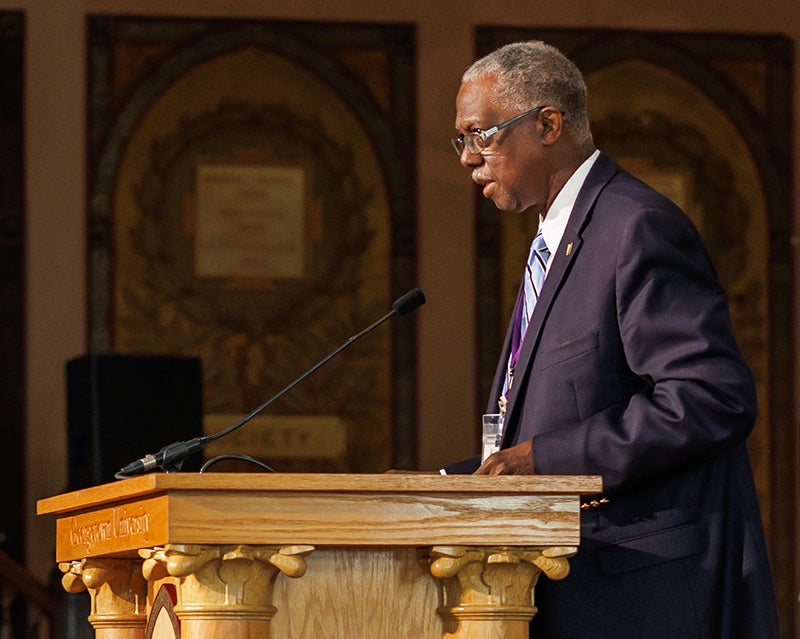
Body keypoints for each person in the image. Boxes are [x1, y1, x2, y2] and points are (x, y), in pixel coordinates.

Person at [443, 41, 778, 638]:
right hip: (565, 585)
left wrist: (544, 460)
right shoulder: (557, 236)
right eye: (462, 140)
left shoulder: (634, 226)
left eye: (481, 134)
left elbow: (708, 398)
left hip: (639, 595)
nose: (469, 158)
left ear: (548, 124)